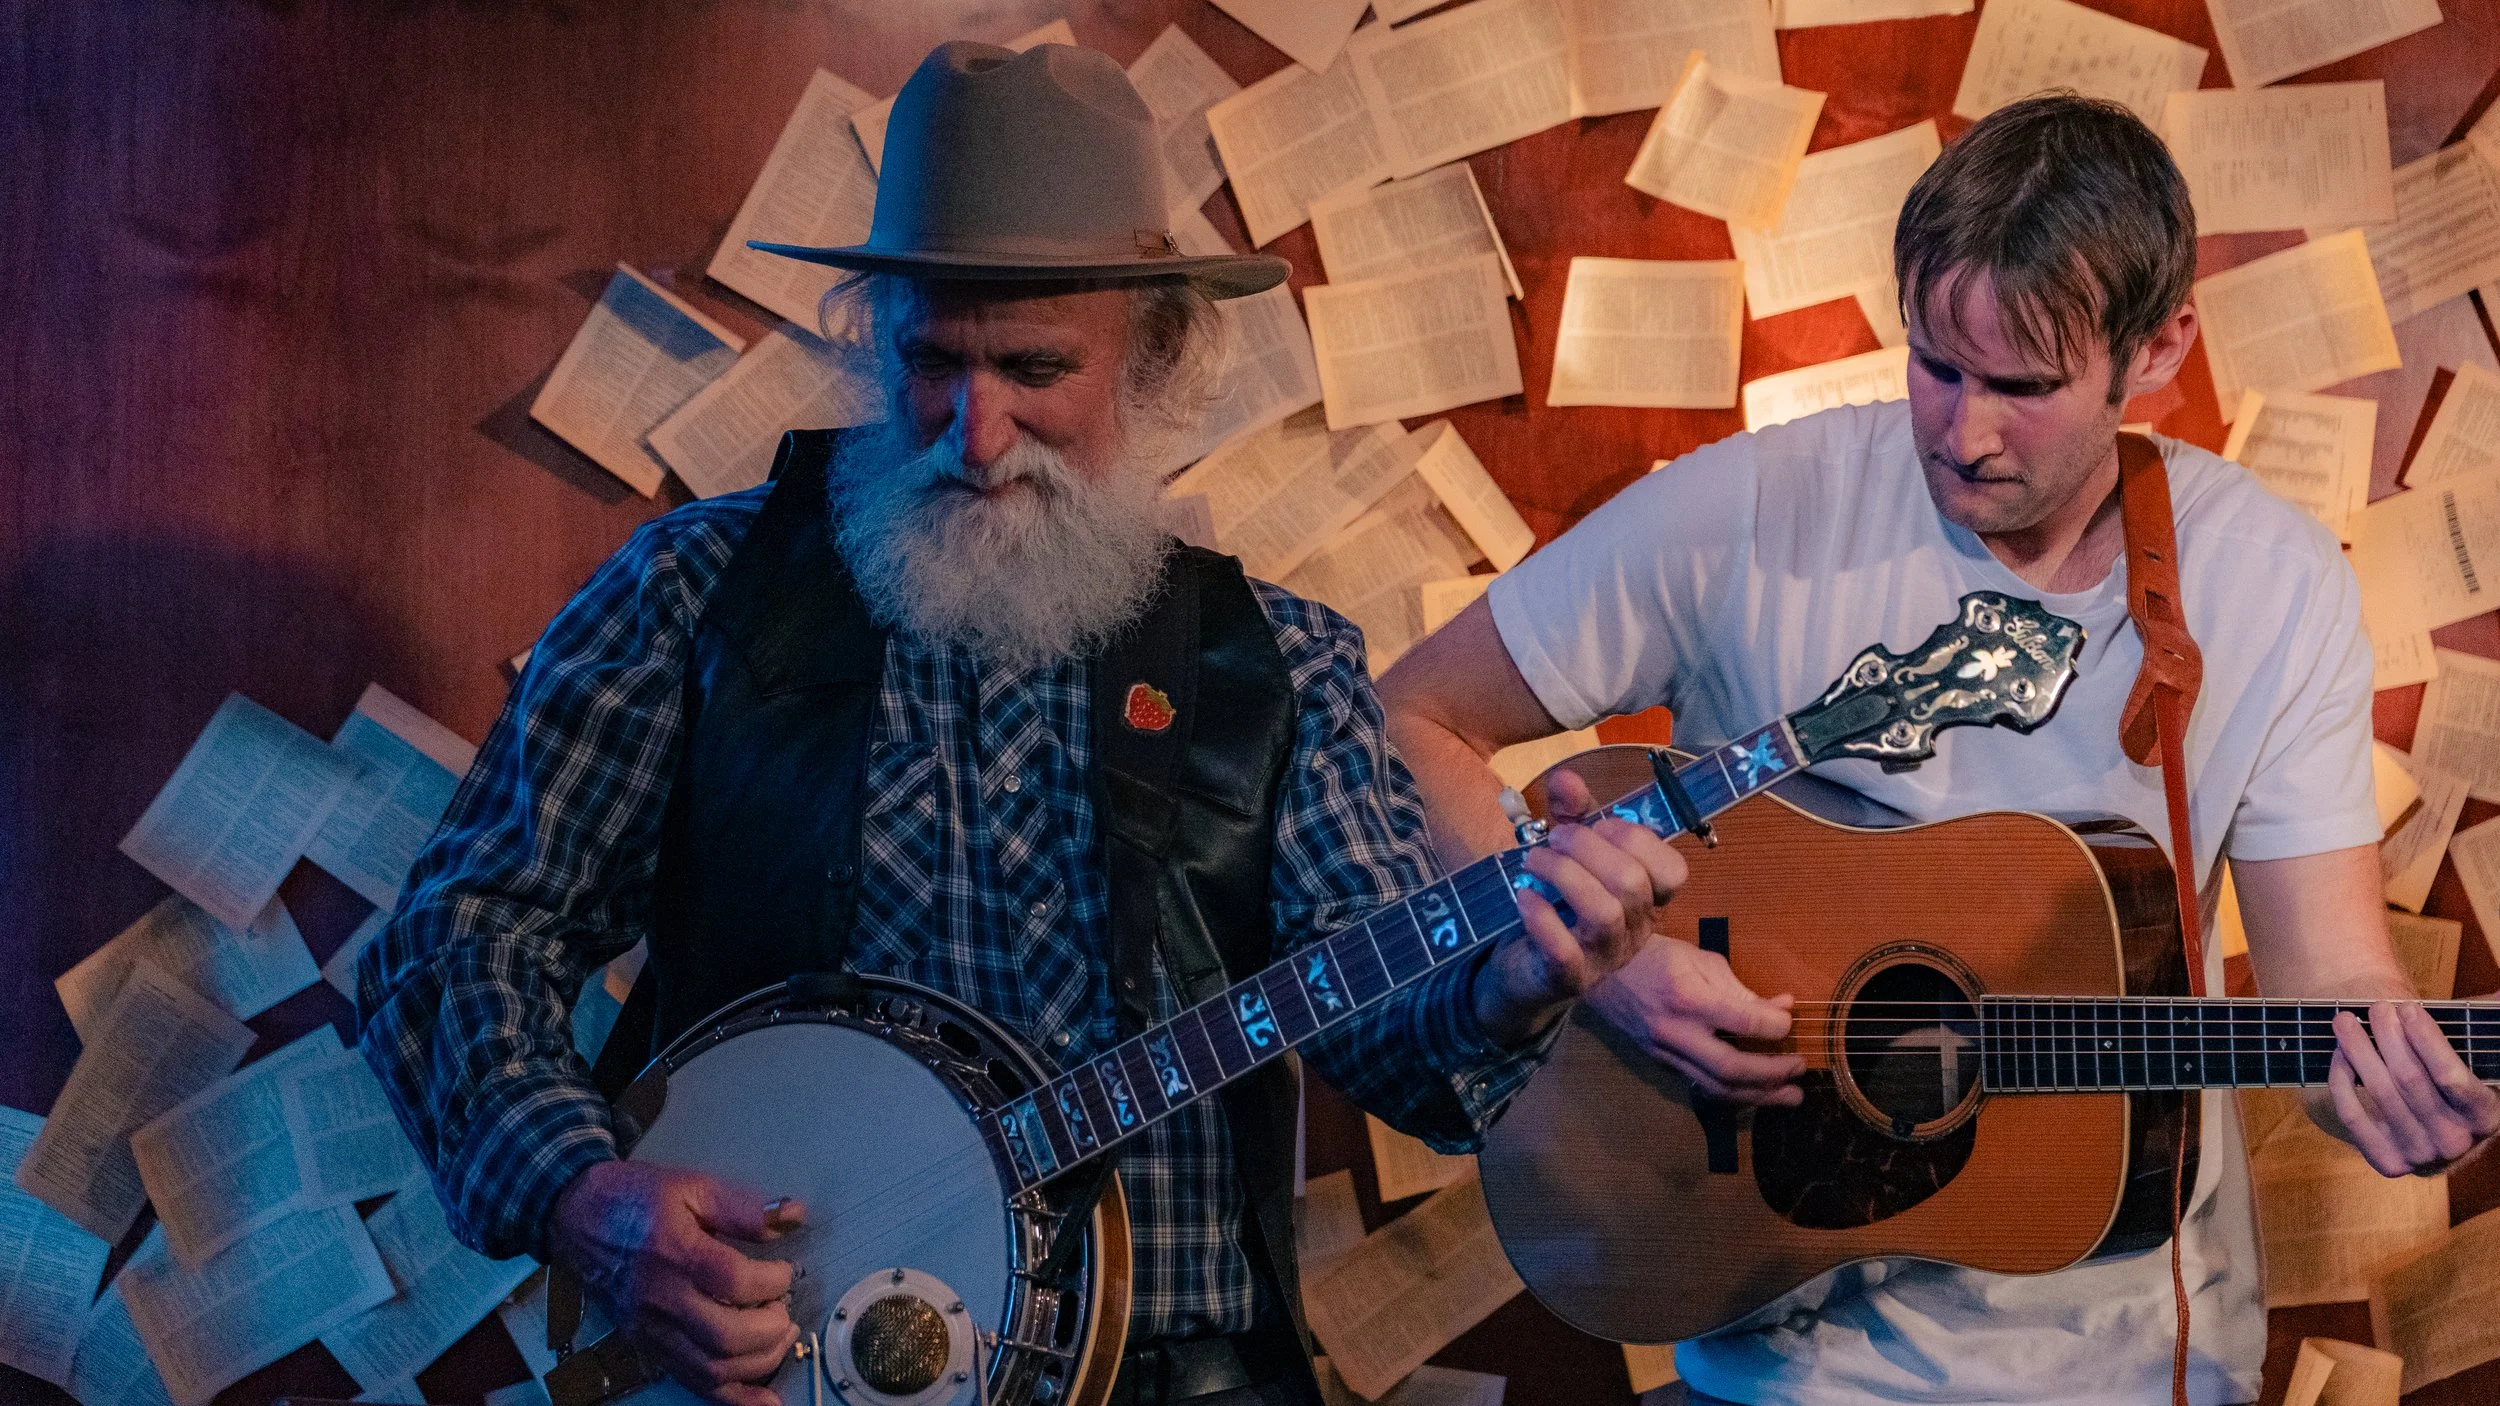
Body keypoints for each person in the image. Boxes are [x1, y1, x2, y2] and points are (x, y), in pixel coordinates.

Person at [356, 40, 1680, 1406]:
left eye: (1036, 368)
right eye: (934, 361)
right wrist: (585, 1194)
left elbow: (1393, 1033)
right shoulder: (697, 597)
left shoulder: (1277, 661)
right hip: (775, 1369)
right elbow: (462, 936)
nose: (973, 434)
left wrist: (1513, 978)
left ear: (1152, 354)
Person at [1378, 93, 2500, 1405]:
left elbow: (2335, 988)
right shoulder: (1755, 504)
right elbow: (1406, 721)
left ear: (2159, 348)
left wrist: (2394, 1091)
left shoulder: (2269, 581)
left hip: (2143, 1366)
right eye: (1936, 366)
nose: (1963, 434)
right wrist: (1606, 966)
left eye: (2023, 388)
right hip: (1789, 1364)